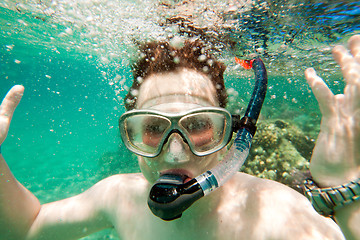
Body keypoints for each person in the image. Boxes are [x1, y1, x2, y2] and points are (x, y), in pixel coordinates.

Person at [0, 35, 359, 240]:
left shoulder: (278, 214)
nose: (174, 154)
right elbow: (29, 228)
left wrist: (344, 187)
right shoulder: (117, 198)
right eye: (155, 128)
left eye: (197, 126)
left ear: (229, 133)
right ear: (133, 132)